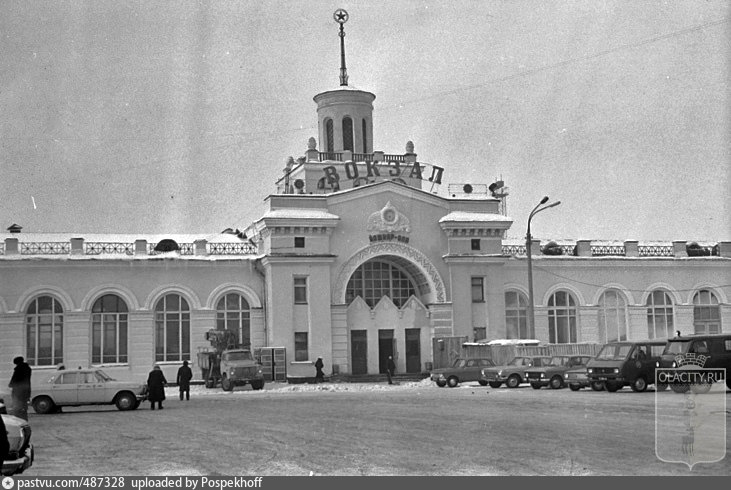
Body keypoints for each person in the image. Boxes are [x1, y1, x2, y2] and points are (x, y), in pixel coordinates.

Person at [8, 356, 32, 421]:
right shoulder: (28, 369)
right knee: (24, 406)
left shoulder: (18, 369)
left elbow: (14, 379)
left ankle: (18, 420)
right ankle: (24, 419)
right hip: (26, 390)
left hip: (18, 391)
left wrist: (11, 384)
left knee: (17, 406)